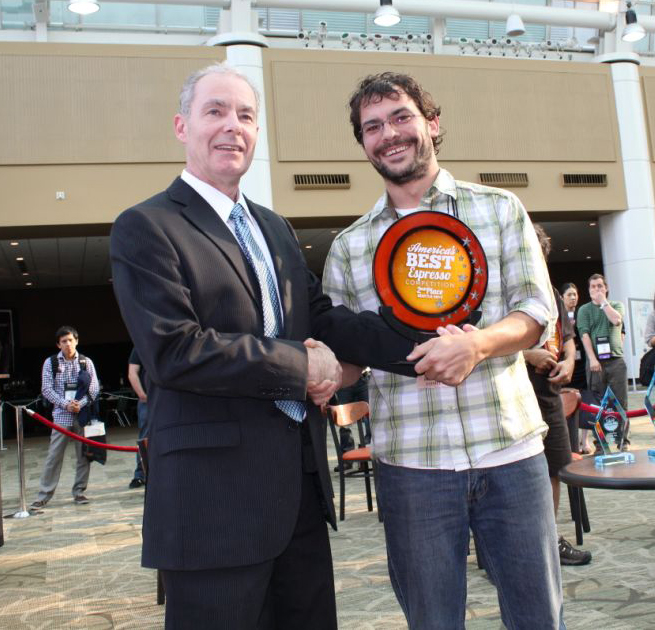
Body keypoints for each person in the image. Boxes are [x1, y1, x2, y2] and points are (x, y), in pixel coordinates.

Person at [110, 63, 413, 630]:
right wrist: (305, 366)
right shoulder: (145, 227)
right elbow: (176, 350)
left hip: (298, 495)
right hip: (212, 512)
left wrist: (422, 343)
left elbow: (321, 316)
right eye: (216, 111)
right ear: (182, 126)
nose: (233, 127)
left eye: (246, 115)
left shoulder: (273, 227)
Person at [323, 72, 562, 629]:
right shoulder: (349, 247)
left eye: (401, 117)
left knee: (539, 618)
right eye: (372, 127)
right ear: (363, 144)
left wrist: (477, 345)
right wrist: (312, 367)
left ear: (431, 123)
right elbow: (349, 356)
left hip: (511, 452)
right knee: (432, 621)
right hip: (412, 467)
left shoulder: (500, 209)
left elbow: (536, 311)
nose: (389, 134)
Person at [524, 227, 591, 566]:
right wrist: (526, 356)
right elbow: (483, 346)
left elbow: (566, 336)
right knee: (518, 474)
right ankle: (518, 548)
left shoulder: (549, 290)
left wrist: (567, 360)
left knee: (555, 468)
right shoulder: (502, 288)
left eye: (537, 252)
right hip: (515, 396)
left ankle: (548, 539)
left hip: (550, 393)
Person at [31, 326, 99, 508]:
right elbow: (46, 389)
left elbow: (94, 389)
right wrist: (65, 404)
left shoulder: (86, 362)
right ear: (58, 344)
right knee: (54, 456)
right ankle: (43, 495)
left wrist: (80, 404)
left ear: (76, 341)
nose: (67, 344)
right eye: (63, 341)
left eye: (70, 340)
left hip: (82, 415)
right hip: (61, 416)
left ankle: (79, 492)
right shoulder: (51, 363)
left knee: (83, 456)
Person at [576, 273, 629, 449]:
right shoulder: (584, 310)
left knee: (620, 402)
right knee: (597, 404)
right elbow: (584, 335)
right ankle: (600, 443)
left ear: (606, 288)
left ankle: (623, 441)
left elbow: (616, 320)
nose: (597, 289)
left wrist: (603, 303)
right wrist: (592, 359)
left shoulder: (616, 305)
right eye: (593, 286)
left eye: (600, 286)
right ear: (589, 290)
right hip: (595, 362)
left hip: (615, 360)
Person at [561, 282, 593, 453]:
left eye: (575, 294)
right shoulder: (558, 315)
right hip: (566, 363)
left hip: (582, 365)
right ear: (562, 298)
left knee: (584, 401)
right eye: (569, 295)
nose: (573, 297)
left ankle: (585, 441)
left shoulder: (582, 313)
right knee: (567, 401)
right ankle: (570, 442)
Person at [127, 347, 148, 489]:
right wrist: (142, 394)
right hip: (148, 400)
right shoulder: (140, 346)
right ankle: (140, 474)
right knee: (145, 436)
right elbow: (132, 373)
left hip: (168, 399)